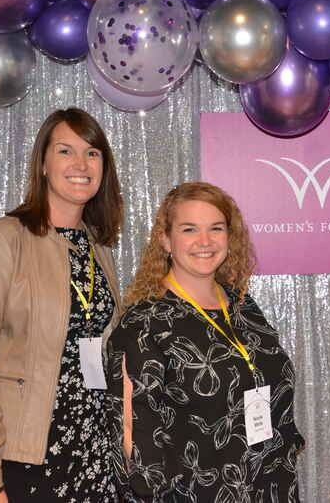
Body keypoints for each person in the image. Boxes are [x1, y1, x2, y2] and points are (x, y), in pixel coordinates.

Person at [0, 108, 124, 502]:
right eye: (65, 151)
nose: (81, 164)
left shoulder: (99, 249)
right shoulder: (3, 239)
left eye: (92, 153)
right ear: (43, 163)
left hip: (95, 452)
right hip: (28, 456)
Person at [107, 181, 304, 502]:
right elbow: (131, 433)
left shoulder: (244, 306)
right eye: (189, 229)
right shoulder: (145, 323)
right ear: (165, 240)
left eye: (216, 228)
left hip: (270, 485)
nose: (205, 241)